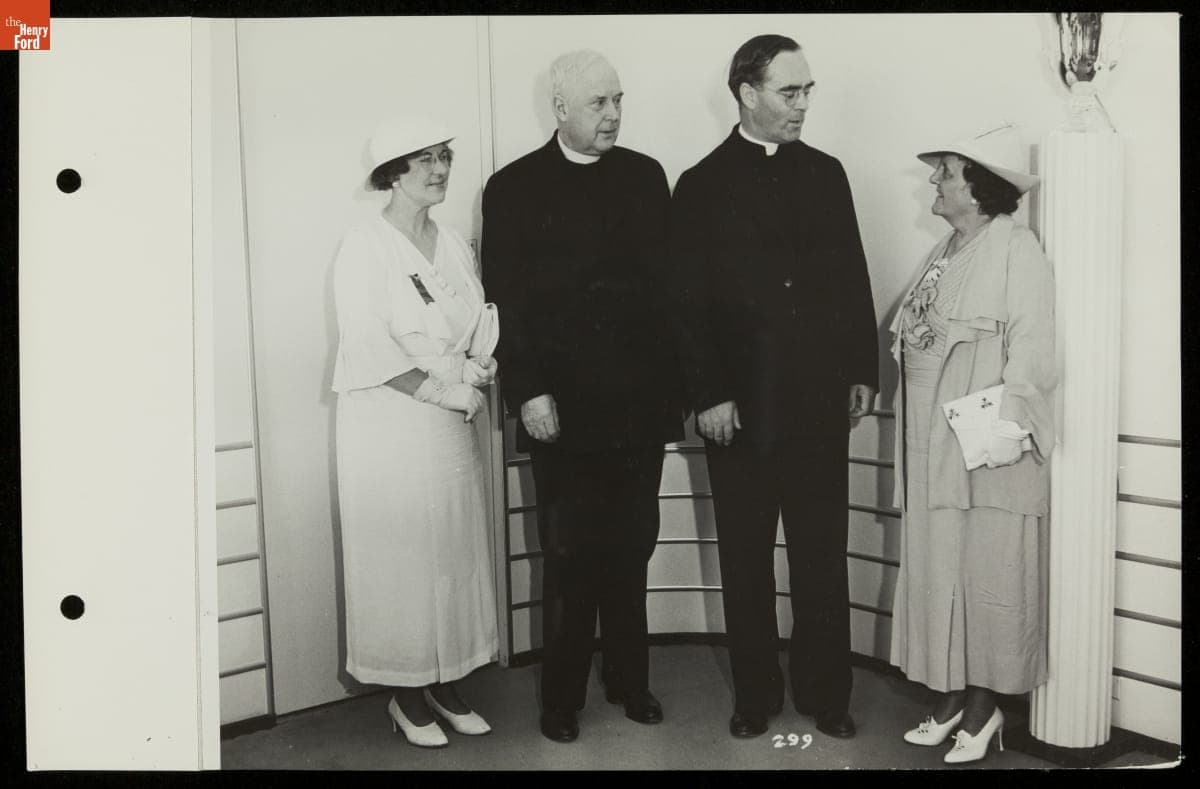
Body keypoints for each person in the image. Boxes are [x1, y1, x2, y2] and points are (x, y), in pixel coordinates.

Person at [667, 35, 878, 740]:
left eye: (808, 90)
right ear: (747, 94)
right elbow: (687, 305)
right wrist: (709, 394)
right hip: (741, 409)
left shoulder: (828, 173)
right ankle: (754, 695)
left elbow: (851, 275)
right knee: (746, 559)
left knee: (822, 557)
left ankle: (827, 693)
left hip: (820, 405)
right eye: (791, 92)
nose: (804, 105)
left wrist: (861, 369)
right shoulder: (699, 183)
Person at [481, 50, 683, 743]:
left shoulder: (646, 176)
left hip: (638, 410)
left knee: (633, 549)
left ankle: (631, 682)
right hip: (559, 413)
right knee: (568, 556)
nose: (614, 115)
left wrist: (675, 393)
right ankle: (561, 698)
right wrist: (529, 390)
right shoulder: (512, 188)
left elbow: (669, 294)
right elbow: (506, 301)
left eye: (618, 100)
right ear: (560, 109)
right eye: (598, 103)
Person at [888, 125, 1055, 765]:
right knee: (942, 567)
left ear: (979, 188)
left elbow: (1035, 345)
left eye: (947, 171)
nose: (935, 179)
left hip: (984, 442)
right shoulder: (950, 248)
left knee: (988, 570)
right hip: (931, 437)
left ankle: (986, 712)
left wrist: (1004, 433)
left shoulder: (1017, 248)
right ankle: (953, 696)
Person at [331, 117, 500, 749]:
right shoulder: (364, 245)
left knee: (453, 550)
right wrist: (439, 389)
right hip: (392, 425)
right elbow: (367, 345)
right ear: (392, 173)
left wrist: (481, 363)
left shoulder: (452, 241)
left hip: (452, 424)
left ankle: (448, 680)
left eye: (444, 158)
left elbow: (473, 317)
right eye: (424, 160)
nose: (439, 170)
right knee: (403, 557)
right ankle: (405, 694)